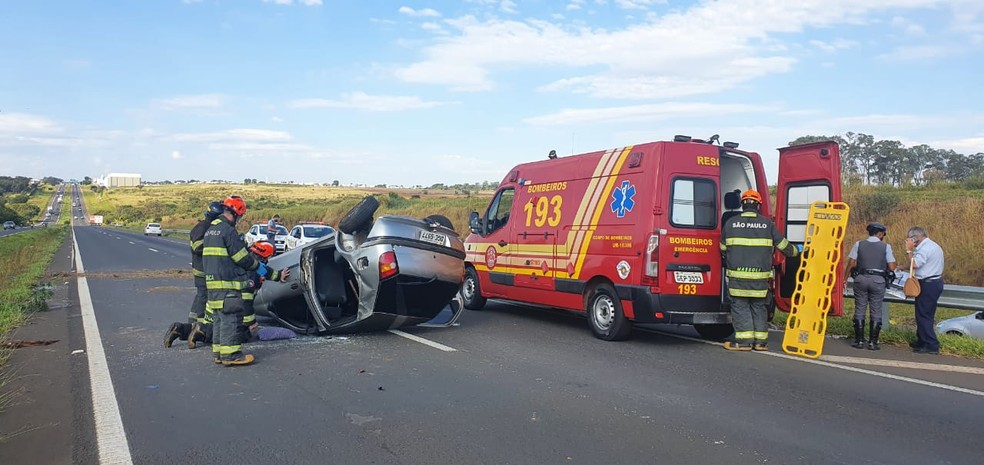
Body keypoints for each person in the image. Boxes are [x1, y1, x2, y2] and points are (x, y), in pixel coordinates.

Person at [203, 197, 289, 366]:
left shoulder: (210, 231)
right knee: (230, 319)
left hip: (213, 284)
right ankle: (231, 355)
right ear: (235, 214)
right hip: (227, 283)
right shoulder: (228, 232)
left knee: (220, 318)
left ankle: (219, 353)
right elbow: (244, 260)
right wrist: (274, 274)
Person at [720, 189, 799, 351]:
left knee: (740, 307)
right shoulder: (768, 224)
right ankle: (760, 342)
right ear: (758, 205)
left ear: (742, 205)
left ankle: (744, 342)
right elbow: (785, 247)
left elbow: (722, 249)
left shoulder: (730, 223)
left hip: (738, 278)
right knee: (759, 307)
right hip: (760, 280)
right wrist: (799, 251)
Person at [186, 240, 282, 348]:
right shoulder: (253, 273)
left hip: (214, 303)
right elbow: (246, 300)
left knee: (218, 329)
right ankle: (201, 330)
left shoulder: (243, 259)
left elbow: (265, 271)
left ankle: (181, 329)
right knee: (238, 335)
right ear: (265, 257)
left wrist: (279, 275)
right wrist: (251, 323)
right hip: (227, 306)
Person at [164, 201, 225, 349]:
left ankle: (182, 328)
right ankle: (199, 327)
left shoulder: (207, 227)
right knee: (204, 298)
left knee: (201, 297)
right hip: (204, 271)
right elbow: (198, 247)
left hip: (204, 270)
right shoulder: (203, 227)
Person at [843, 222, 897, 350]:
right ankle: (873, 343)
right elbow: (892, 267)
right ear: (880, 233)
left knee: (860, 308)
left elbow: (851, 263)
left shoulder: (858, 244)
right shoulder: (886, 247)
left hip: (861, 279)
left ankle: (859, 341)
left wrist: (845, 279)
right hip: (878, 280)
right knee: (876, 310)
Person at [905, 226, 945, 355]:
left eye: (910, 238)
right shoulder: (931, 246)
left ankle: (931, 344)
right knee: (923, 313)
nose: (909, 241)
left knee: (924, 315)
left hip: (928, 284)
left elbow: (916, 264)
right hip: (932, 282)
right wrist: (903, 266)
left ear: (915, 237)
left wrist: (908, 250)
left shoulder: (925, 248)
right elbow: (920, 264)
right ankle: (922, 340)